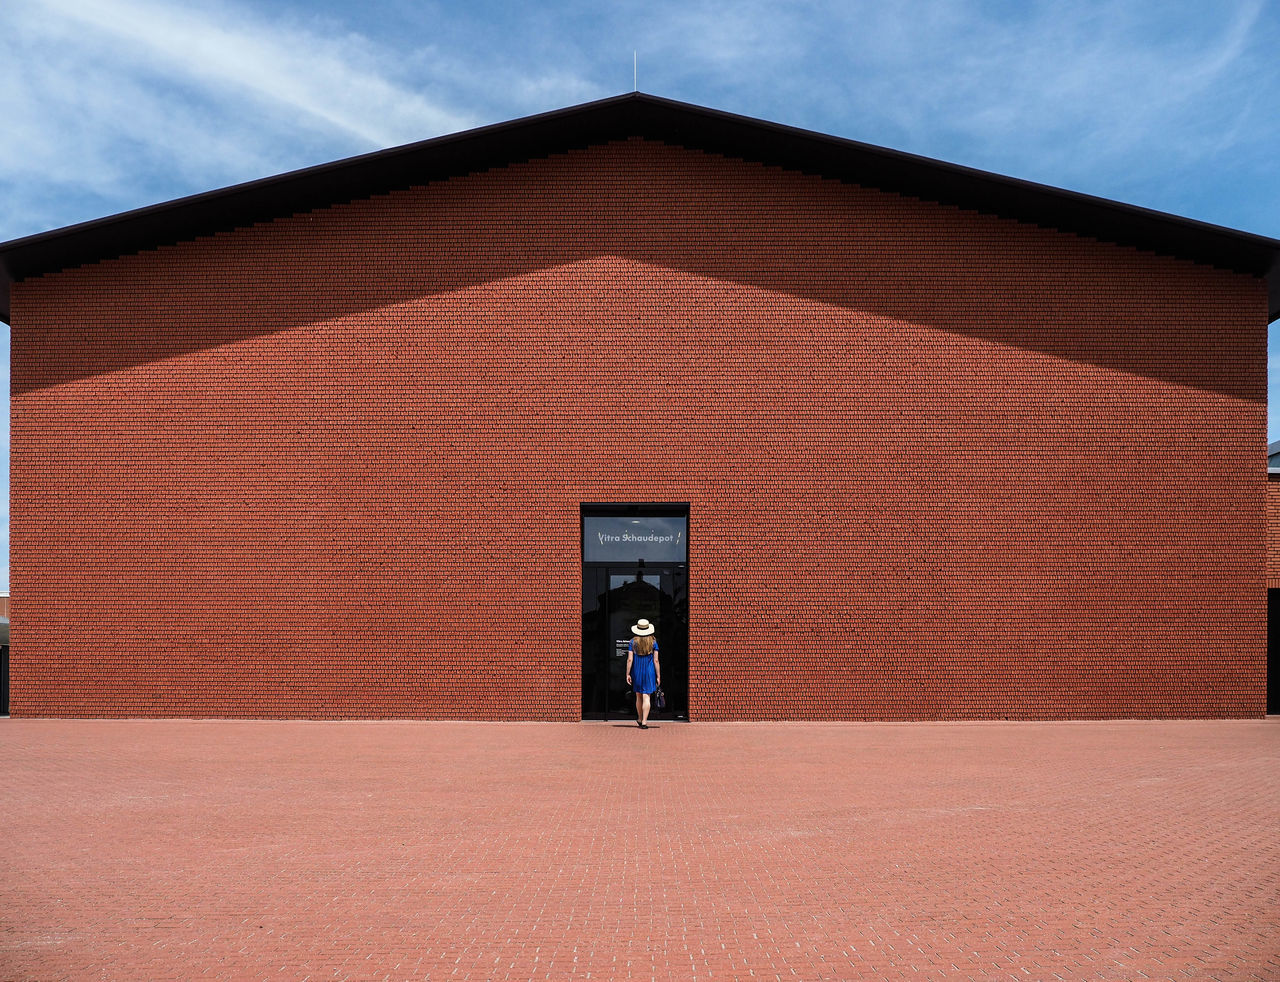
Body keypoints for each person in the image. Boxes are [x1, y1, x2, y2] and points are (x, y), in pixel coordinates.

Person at [625, 618, 661, 729]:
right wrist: (658, 675)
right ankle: (644, 722)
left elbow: (630, 659)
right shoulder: (653, 642)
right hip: (649, 671)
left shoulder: (632, 642)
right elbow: (656, 660)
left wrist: (628, 673)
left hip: (637, 671)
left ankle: (640, 718)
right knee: (647, 696)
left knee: (638, 696)